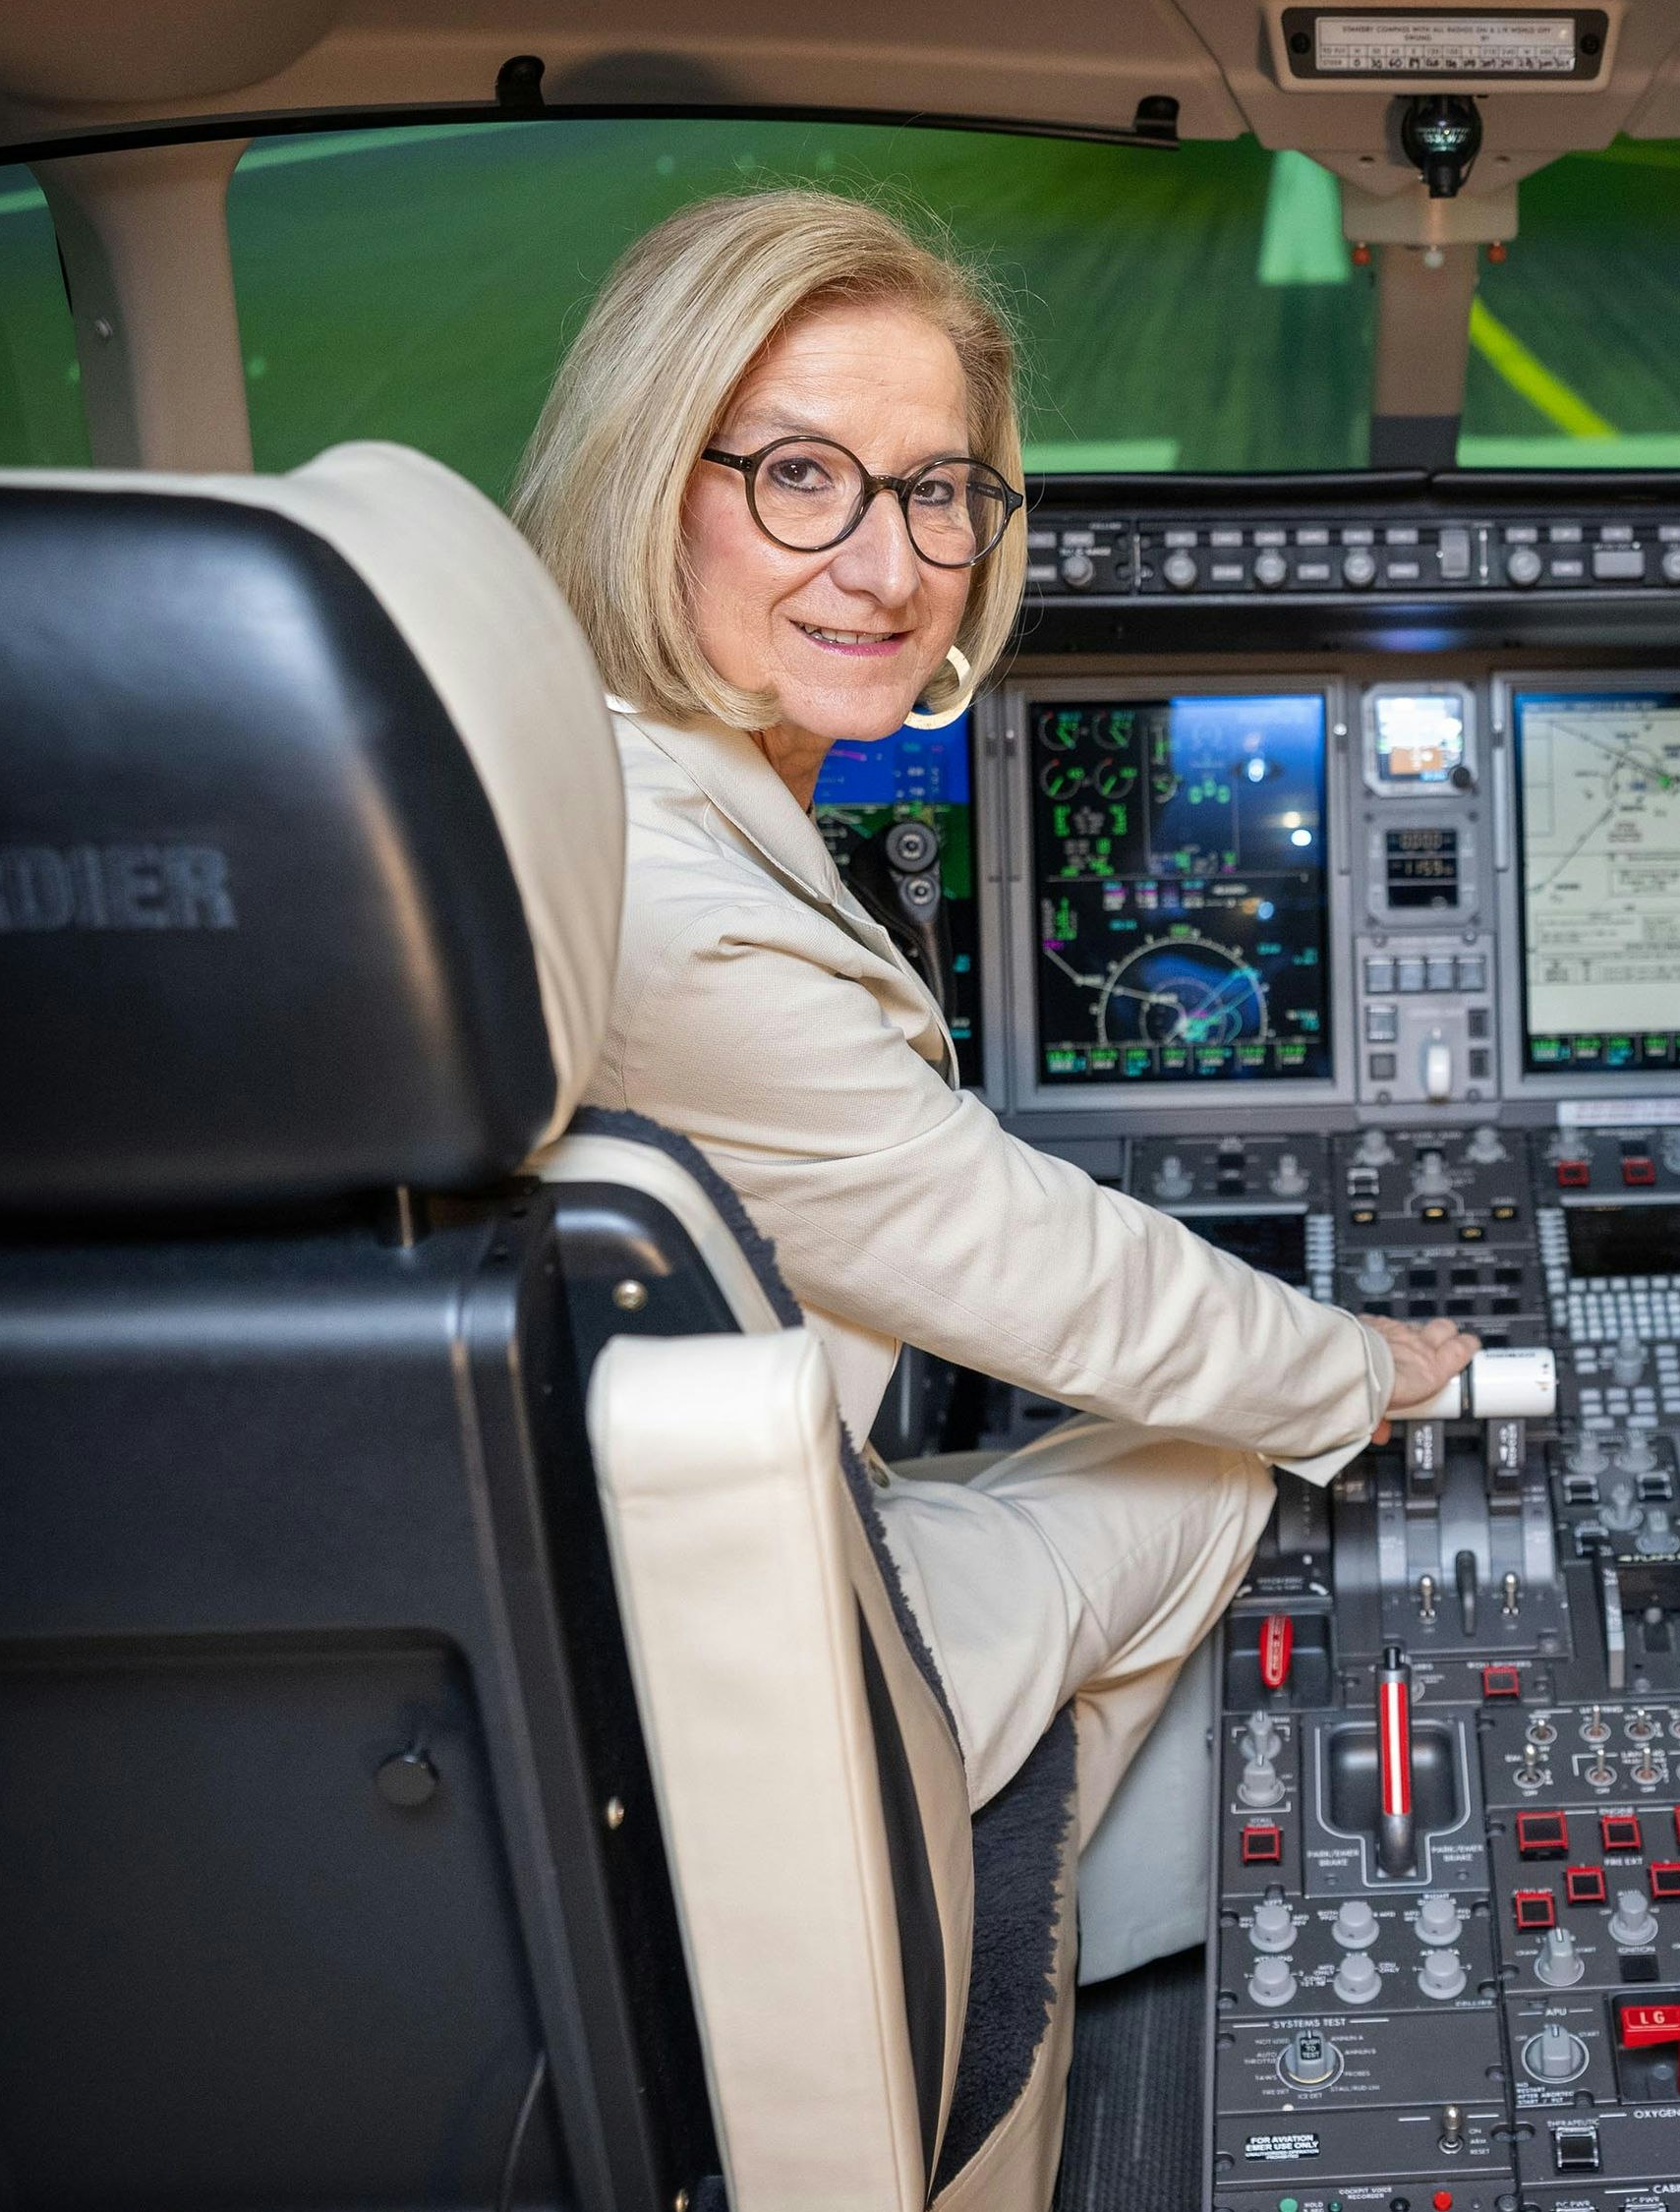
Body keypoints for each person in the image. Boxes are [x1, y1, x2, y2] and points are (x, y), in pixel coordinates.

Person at [511, 189, 1475, 1960]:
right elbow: (1023, 1257)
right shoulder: (668, 905)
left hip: (643, 1552)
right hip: (687, 1663)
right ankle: (959, 1952)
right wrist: (1368, 1366)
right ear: (651, 478)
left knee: (1088, 1459)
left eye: (937, 489)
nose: (888, 568)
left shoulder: (600, 776)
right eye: (801, 476)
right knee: (1209, 1466)